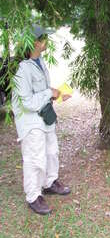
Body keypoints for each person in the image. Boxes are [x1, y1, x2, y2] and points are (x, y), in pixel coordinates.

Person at [12, 24, 71, 215]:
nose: (47, 41)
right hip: (31, 122)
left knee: (52, 152)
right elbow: (27, 102)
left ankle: (49, 182)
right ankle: (33, 196)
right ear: (35, 43)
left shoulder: (40, 61)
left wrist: (57, 94)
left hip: (45, 117)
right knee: (34, 158)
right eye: (44, 38)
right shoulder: (22, 69)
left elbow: (42, 91)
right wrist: (48, 93)